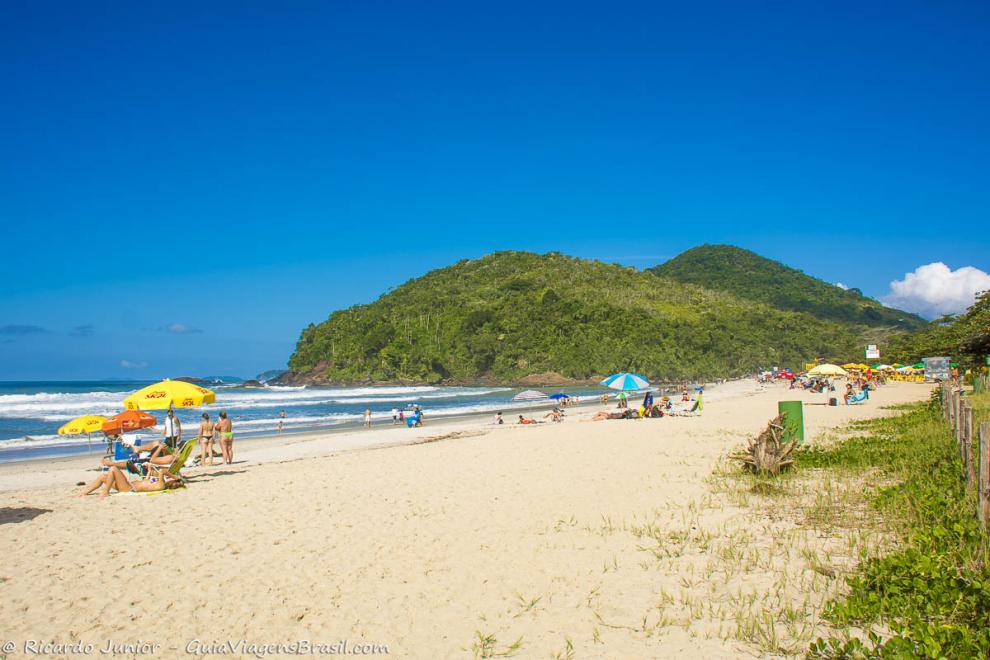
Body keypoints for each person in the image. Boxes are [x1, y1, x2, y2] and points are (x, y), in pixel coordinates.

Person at [76, 465, 181, 497]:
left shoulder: (161, 485)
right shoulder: (158, 482)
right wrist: (149, 470)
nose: (169, 478)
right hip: (128, 485)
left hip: (129, 488)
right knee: (104, 476)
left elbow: (162, 471)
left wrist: (174, 477)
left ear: (172, 483)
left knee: (113, 469)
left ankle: (105, 492)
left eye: (171, 479)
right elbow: (145, 481)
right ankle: (83, 493)